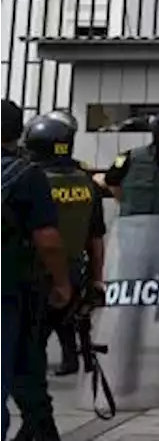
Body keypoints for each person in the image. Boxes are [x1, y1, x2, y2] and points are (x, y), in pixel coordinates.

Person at [0, 101, 72, 441]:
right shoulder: (25, 176)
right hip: (10, 289)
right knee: (19, 368)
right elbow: (48, 241)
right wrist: (62, 283)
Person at [23, 112, 102, 379]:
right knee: (66, 318)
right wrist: (96, 278)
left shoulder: (32, 180)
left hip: (35, 268)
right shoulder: (86, 181)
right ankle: (71, 359)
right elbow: (95, 237)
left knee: (33, 332)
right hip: (75, 267)